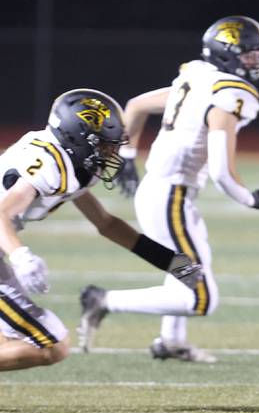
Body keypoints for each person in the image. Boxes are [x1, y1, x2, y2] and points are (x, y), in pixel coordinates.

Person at [78, 16, 259, 362]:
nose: (257, 61)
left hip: (166, 193)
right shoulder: (227, 92)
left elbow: (137, 104)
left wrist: (126, 156)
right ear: (228, 54)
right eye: (250, 54)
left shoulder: (199, 79)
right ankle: (103, 300)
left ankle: (170, 340)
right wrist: (250, 198)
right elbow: (221, 171)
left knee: (185, 267)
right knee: (201, 297)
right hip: (171, 197)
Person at [0, 89, 201, 372]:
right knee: (50, 343)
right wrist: (21, 255)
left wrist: (171, 262)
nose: (112, 152)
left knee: (11, 338)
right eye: (105, 144)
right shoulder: (50, 164)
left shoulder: (74, 164)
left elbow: (105, 223)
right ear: (78, 138)